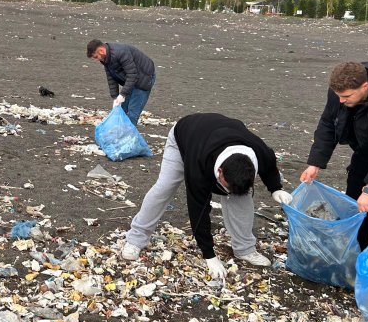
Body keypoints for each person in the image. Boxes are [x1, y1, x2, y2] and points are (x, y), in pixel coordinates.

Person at [121, 113, 293, 278]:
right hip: (185, 135)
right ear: (219, 172)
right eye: (226, 186)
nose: (227, 192)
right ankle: (136, 238)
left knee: (241, 198)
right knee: (165, 187)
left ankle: (245, 249)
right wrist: (209, 255)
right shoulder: (198, 166)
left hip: (220, 132)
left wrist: (275, 188)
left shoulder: (261, 152)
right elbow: (199, 209)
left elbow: (270, 168)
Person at [300, 62, 368, 249]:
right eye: (338, 96)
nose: (340, 101)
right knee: (356, 211)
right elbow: (328, 124)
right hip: (363, 155)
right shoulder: (338, 93)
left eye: (346, 96)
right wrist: (315, 163)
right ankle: (354, 255)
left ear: (365, 86)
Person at [86, 39, 155, 126]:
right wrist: (115, 97)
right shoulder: (105, 58)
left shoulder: (121, 53)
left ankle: (127, 137)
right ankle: (120, 133)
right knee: (122, 110)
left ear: (101, 51)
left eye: (96, 57)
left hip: (144, 78)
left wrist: (122, 94)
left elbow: (132, 74)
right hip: (131, 79)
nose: (96, 60)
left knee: (132, 113)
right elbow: (111, 77)